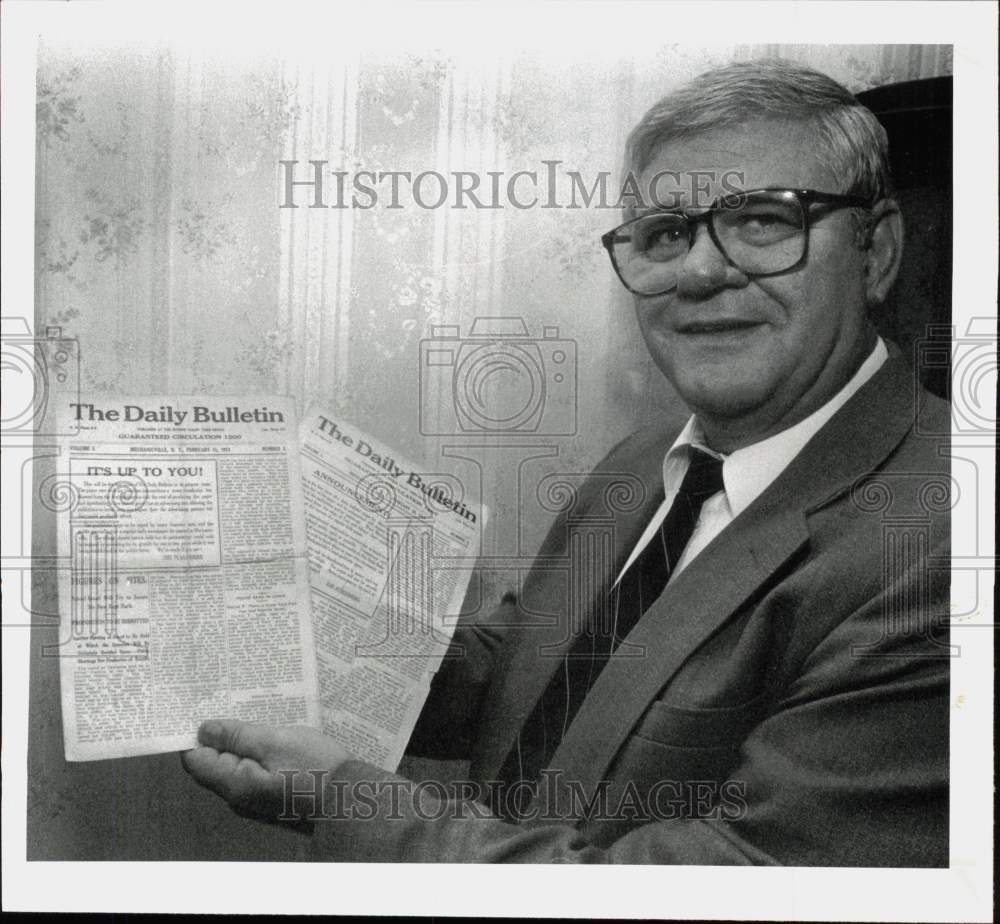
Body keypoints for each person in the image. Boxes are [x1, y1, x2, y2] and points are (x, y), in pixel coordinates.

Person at [182, 59, 951, 865]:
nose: (699, 271)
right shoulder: (649, 456)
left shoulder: (941, 546)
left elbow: (724, 885)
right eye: (666, 234)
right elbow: (527, 668)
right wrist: (301, 627)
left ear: (876, 251)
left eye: (762, 220)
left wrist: (342, 801)